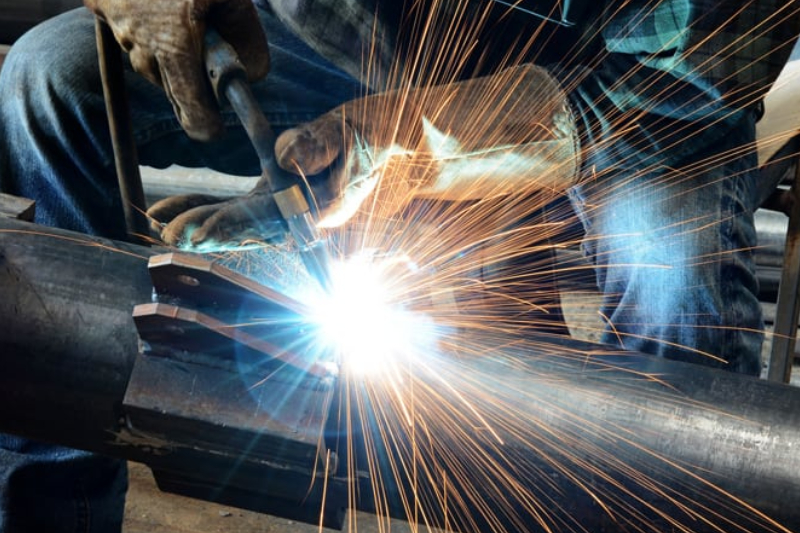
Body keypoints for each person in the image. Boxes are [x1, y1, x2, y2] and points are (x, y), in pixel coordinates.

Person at [0, 0, 797, 531]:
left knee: (670, 279)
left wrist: (419, 136)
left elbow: (691, 75)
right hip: (377, 33)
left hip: (630, 87)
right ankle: (55, 504)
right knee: (50, 77)